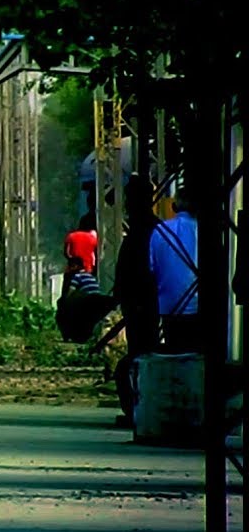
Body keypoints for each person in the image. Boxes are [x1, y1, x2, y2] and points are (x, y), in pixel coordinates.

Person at [110, 175, 161, 426]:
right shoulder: (154, 229)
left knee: (139, 358)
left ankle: (139, 412)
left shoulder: (145, 232)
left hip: (144, 306)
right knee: (139, 357)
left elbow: (139, 270)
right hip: (145, 304)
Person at [149, 186, 199, 353]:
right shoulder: (202, 231)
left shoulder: (160, 230)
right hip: (197, 306)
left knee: (173, 353)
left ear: (174, 207)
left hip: (168, 306)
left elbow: (151, 268)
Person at [56, 255, 117, 343]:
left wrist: (64, 304)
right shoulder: (90, 276)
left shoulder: (77, 276)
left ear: (75, 266)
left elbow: (70, 293)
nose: (68, 269)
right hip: (98, 299)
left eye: (70, 266)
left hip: (88, 300)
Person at [64, 213, 99, 277]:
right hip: (88, 269)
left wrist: (74, 261)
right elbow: (97, 253)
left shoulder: (71, 236)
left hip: (73, 269)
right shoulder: (92, 238)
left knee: (68, 284)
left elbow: (67, 253)